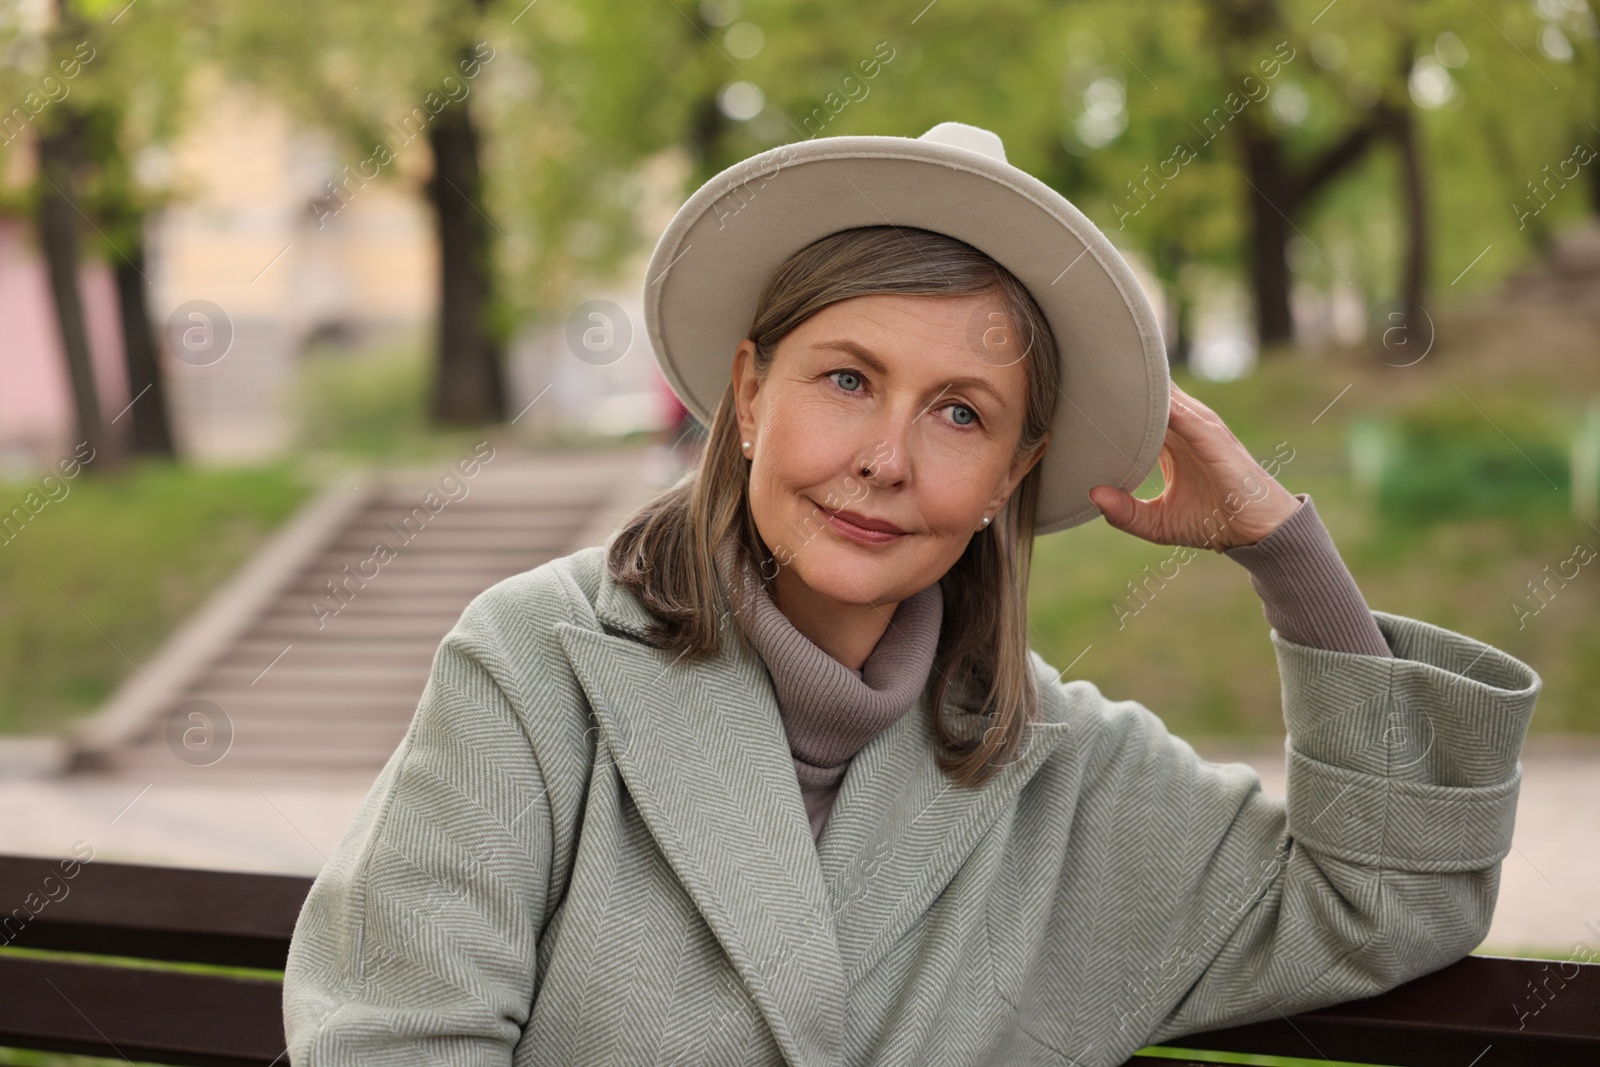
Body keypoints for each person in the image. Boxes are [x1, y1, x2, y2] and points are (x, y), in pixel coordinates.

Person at [282, 122, 1540, 1066]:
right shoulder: (538, 665)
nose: (887, 456)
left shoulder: (1066, 773)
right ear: (751, 390)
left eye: (959, 412)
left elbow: (1386, 897)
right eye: (844, 379)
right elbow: (395, 1038)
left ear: (1013, 471)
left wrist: (1280, 548)